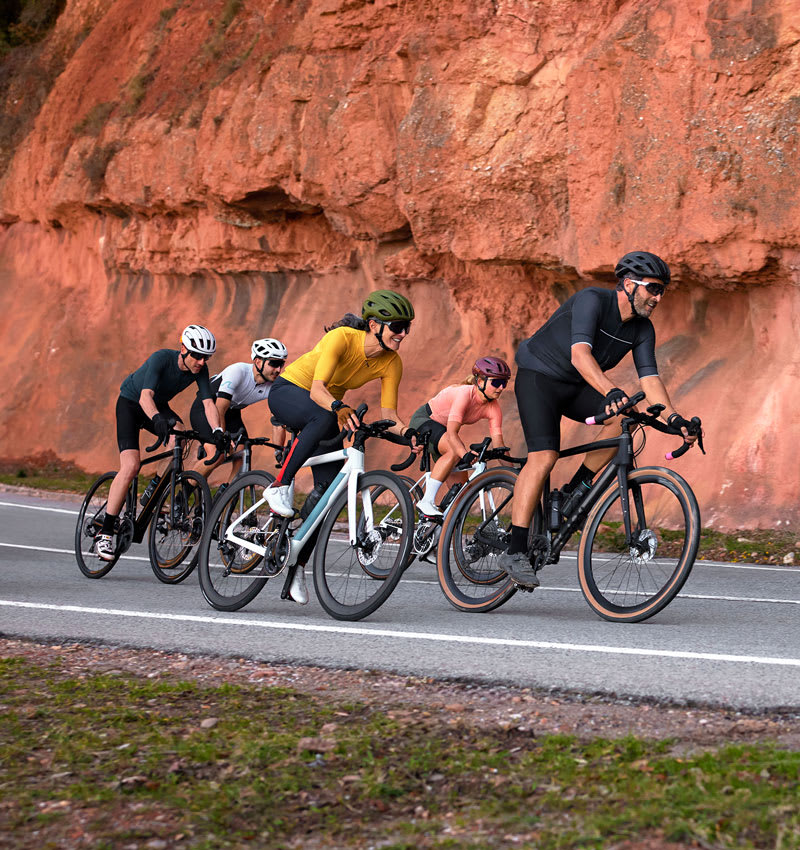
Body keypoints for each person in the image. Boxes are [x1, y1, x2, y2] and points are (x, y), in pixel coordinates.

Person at [499, 250, 701, 587]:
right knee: (544, 456)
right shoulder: (592, 300)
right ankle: (515, 548)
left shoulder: (642, 329)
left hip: (577, 386)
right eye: (653, 288)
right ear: (628, 283)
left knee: (625, 419)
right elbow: (581, 355)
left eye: (663, 290)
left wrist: (676, 420)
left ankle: (574, 491)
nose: (658, 297)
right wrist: (610, 391)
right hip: (540, 377)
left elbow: (650, 381)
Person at [265, 289, 418, 604]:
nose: (403, 334)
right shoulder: (342, 338)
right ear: (374, 324)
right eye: (397, 326)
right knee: (323, 417)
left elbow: (390, 415)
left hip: (326, 409)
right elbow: (318, 389)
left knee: (328, 492)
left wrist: (410, 434)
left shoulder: (392, 362)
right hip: (292, 391)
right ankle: (279, 485)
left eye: (407, 328)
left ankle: (296, 565)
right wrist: (338, 407)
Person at [94, 325, 226, 561]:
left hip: (158, 406)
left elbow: (208, 404)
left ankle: (155, 486)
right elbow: (146, 396)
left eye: (206, 357)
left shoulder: (200, 370)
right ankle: (105, 533)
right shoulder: (162, 358)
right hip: (132, 404)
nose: (201, 361)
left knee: (180, 434)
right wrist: (156, 418)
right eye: (196, 355)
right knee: (131, 466)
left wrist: (217, 430)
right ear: (183, 349)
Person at [408, 356, 511, 517]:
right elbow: (451, 433)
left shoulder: (494, 408)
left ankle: (440, 531)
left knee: (461, 496)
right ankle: (426, 501)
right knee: (455, 451)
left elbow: (499, 444)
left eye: (504, 383)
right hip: (425, 421)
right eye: (496, 383)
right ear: (480, 381)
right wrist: (465, 455)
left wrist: (514, 474)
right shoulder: (465, 394)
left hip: (442, 432)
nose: (501, 388)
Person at [190, 338, 288, 482]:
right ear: (258, 361)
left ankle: (227, 496)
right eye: (274, 364)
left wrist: (278, 451)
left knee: (243, 453)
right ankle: (185, 490)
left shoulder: (272, 386)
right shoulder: (238, 371)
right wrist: (221, 438)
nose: (278, 370)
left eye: (281, 364)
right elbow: (220, 408)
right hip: (207, 408)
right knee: (217, 454)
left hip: (232, 412)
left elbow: (278, 422)